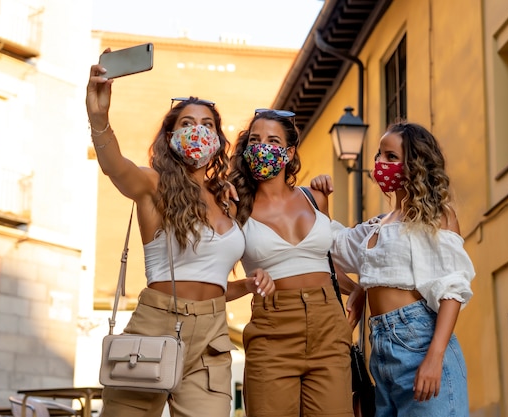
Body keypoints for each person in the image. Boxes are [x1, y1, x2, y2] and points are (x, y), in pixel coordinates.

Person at [86, 53, 273, 417]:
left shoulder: (227, 200)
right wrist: (99, 118)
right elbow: (115, 167)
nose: (198, 130)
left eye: (207, 124)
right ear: (171, 136)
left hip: (212, 338)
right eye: (187, 123)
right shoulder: (153, 185)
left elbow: (211, 281)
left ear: (218, 140)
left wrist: (249, 285)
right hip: (155, 327)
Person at [311, 121, 475, 417]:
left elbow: (452, 289)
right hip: (382, 348)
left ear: (414, 164)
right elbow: (330, 246)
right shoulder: (379, 225)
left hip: (421, 341)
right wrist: (319, 199)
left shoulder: (434, 215)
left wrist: (434, 358)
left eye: (390, 157)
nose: (379, 163)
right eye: (378, 155)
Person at [227, 109, 365, 417]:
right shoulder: (235, 208)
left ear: (289, 152)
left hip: (328, 322)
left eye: (273, 140)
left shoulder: (315, 198)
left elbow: (323, 266)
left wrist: (357, 290)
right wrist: (248, 284)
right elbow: (212, 282)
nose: (262, 147)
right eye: (255, 140)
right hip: (272, 328)